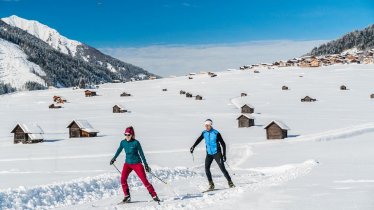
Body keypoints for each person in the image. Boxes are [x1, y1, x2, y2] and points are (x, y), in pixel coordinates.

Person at [110, 126, 160, 203]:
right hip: (127, 164)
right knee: (123, 179)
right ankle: (127, 196)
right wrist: (114, 158)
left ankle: (154, 195)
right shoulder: (123, 142)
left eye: (128, 135)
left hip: (137, 164)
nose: (127, 136)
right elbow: (119, 150)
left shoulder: (136, 143)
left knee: (144, 180)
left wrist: (146, 165)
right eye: (125, 134)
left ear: (132, 134)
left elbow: (142, 154)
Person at [190, 119, 235, 191]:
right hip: (209, 154)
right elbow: (199, 139)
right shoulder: (204, 133)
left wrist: (224, 154)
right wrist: (193, 146)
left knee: (222, 169)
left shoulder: (216, 133)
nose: (206, 127)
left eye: (208, 125)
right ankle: (211, 184)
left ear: (211, 125)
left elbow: (223, 144)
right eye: (205, 125)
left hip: (217, 153)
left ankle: (230, 182)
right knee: (206, 168)